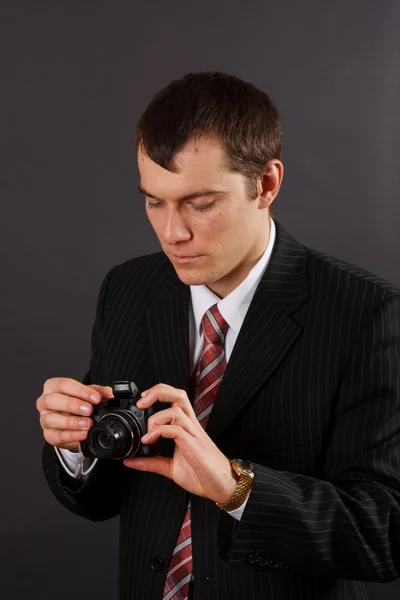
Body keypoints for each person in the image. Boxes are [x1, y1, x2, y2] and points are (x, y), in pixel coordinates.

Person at [37, 71, 400, 600]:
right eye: (154, 201)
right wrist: (77, 445)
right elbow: (100, 500)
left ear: (267, 185)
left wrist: (236, 488)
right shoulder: (129, 288)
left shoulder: (367, 314)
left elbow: (385, 533)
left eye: (199, 203)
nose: (171, 233)